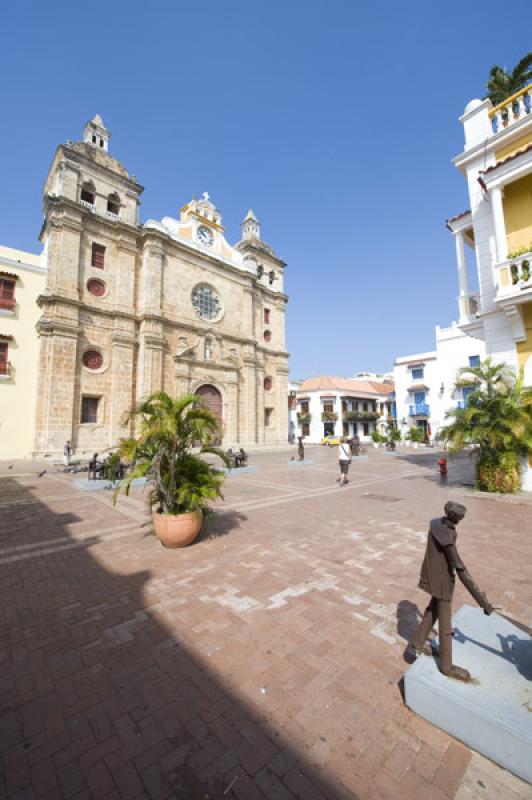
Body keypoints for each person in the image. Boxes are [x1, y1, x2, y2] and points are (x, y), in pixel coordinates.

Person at [408, 501, 494, 682]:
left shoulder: (437, 523)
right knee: (445, 625)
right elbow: (460, 568)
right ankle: (446, 666)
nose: (462, 519)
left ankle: (416, 643)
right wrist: (482, 602)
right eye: (460, 516)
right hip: (442, 582)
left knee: (433, 610)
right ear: (453, 516)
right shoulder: (446, 536)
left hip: (434, 576)